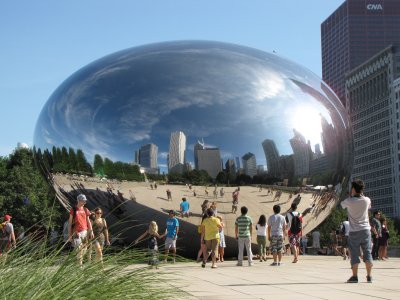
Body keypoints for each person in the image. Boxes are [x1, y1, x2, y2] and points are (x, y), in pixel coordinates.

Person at [341, 179, 373, 283]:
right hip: (366, 230)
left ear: (353, 189)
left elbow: (342, 205)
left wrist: (350, 195)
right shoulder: (367, 200)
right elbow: (369, 206)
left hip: (354, 231)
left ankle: (355, 277)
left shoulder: (349, 201)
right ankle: (369, 276)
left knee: (354, 253)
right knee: (367, 252)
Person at [68, 194, 94, 266]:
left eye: (85, 201)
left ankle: (78, 264)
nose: (85, 202)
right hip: (76, 232)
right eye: (83, 201)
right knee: (79, 250)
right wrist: (69, 235)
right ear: (79, 200)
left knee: (84, 249)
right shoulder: (73, 209)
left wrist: (91, 231)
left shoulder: (86, 209)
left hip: (85, 231)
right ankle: (80, 266)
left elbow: (88, 221)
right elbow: (70, 223)